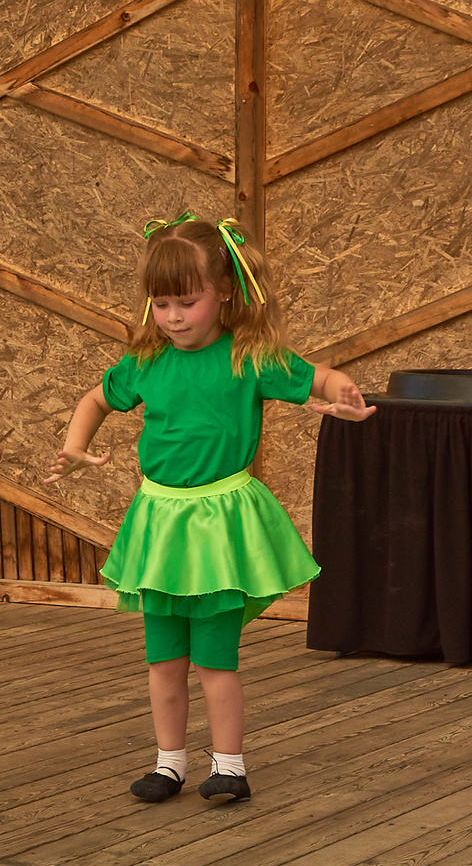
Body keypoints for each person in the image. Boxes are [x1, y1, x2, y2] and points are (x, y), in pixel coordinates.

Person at [50, 213, 374, 804]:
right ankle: (168, 764)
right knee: (164, 659)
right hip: (159, 525)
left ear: (225, 291)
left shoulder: (249, 358)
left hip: (222, 526)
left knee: (216, 660)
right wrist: (75, 446)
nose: (173, 317)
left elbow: (319, 378)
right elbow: (95, 399)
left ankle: (229, 766)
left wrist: (343, 393)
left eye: (187, 302)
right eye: (162, 304)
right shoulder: (146, 362)